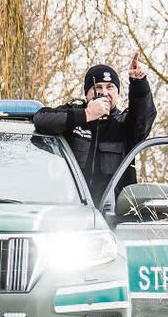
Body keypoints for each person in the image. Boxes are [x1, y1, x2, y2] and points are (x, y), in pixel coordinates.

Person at [33, 52, 157, 205]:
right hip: (69, 212)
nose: (104, 92)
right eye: (97, 87)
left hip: (114, 217)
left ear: (117, 92)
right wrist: (86, 114)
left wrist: (139, 83)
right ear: (87, 93)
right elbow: (41, 119)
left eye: (110, 87)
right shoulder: (74, 114)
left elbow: (144, 119)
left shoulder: (125, 124)